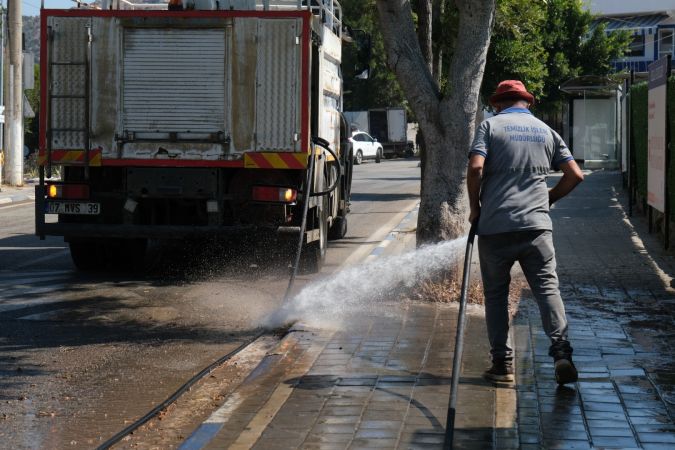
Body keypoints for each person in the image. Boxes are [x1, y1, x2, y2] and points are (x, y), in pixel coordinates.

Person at [466, 80, 584, 385]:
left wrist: (475, 208)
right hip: (537, 229)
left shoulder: (490, 128)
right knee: (547, 290)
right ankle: (561, 353)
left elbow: (476, 168)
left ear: (498, 103)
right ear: (527, 103)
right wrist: (548, 199)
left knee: (496, 296)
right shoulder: (547, 132)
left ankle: (502, 365)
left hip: (495, 228)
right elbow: (575, 175)